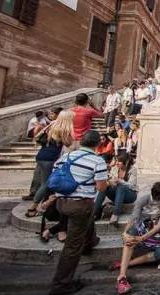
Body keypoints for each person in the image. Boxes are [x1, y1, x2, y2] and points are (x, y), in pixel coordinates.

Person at [49, 130, 107, 295]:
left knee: (86, 220)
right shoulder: (97, 161)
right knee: (72, 247)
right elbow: (101, 187)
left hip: (61, 203)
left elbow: (55, 175)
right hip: (80, 205)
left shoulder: (66, 156)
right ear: (98, 144)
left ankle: (90, 241)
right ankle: (61, 284)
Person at [113, 182, 160, 294]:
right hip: (140, 228)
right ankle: (121, 277)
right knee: (130, 237)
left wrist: (142, 238)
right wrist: (124, 232)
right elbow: (134, 218)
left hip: (156, 233)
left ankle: (125, 263)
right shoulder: (143, 200)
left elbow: (159, 225)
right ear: (159, 198)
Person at [25, 110, 75, 218]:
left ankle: (45, 206)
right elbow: (68, 143)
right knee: (46, 184)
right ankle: (32, 208)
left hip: (42, 155)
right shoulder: (63, 129)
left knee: (47, 182)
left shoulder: (52, 124)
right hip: (50, 158)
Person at [93, 153, 138, 227]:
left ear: (126, 162)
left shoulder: (133, 170)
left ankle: (115, 214)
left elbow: (132, 185)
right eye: (116, 161)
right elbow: (110, 179)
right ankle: (95, 212)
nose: (117, 163)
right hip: (117, 194)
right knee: (105, 187)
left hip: (130, 195)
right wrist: (109, 182)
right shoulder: (115, 168)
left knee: (121, 186)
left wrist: (120, 181)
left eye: (119, 161)